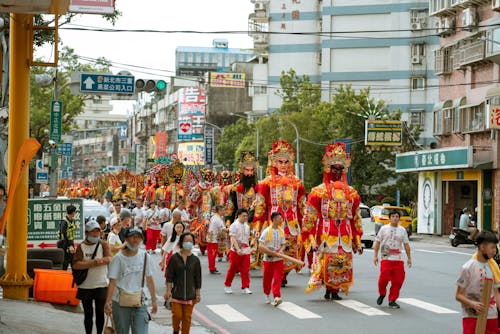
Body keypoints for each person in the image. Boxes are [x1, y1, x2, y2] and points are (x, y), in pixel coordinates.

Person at [302, 142, 363, 300]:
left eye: (340, 169)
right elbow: (309, 218)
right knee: (327, 262)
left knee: (342, 262)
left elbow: (355, 218)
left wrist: (357, 240)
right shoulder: (318, 192)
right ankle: (328, 289)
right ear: (328, 168)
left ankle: (336, 289)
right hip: (326, 234)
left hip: (344, 235)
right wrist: (310, 240)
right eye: (334, 168)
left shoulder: (351, 193)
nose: (337, 171)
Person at [253, 140, 306, 283]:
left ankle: (283, 275)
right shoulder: (266, 182)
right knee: (273, 248)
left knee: (289, 248)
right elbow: (260, 205)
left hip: (292, 223)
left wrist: (305, 225)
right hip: (274, 221)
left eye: (286, 161)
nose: (283, 165)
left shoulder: (297, 182)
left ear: (290, 162)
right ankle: (277, 274)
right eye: (280, 161)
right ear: (274, 162)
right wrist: (258, 226)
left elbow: (302, 205)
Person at [104, 227, 158, 334]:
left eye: (138, 237)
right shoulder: (117, 259)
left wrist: (154, 300)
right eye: (132, 237)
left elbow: (149, 279)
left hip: (140, 301)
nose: (135, 240)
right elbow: (112, 282)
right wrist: (108, 302)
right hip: (120, 302)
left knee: (140, 331)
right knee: (122, 331)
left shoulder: (146, 257)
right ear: (126, 239)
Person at [456, 231, 500, 334]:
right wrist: (472, 304)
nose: (495, 251)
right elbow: (458, 295)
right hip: (472, 316)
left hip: (491, 316)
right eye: (492, 247)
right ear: (482, 247)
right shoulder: (468, 267)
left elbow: (497, 293)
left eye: (495, 247)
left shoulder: (493, 267)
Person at [73, 220, 112, 334]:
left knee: (100, 312)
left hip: (101, 284)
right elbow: (76, 264)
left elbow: (109, 258)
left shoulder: (103, 244)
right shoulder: (81, 246)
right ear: (86, 233)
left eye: (97, 232)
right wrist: (93, 263)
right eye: (92, 232)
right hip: (85, 285)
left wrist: (101, 260)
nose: (95, 235)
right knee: (88, 313)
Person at [374, 209, 412, 309]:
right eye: (393, 216)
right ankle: (382, 293)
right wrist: (375, 256)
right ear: (390, 218)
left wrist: (409, 258)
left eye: (397, 216)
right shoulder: (383, 228)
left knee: (398, 280)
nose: (395, 218)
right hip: (386, 256)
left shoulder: (402, 230)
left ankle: (392, 300)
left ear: (399, 218)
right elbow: (377, 242)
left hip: (398, 258)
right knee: (384, 278)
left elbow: (406, 244)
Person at [165, 232, 202, 334]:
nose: (188, 243)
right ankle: (176, 330)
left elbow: (198, 278)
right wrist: (168, 290)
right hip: (176, 293)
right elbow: (169, 276)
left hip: (190, 294)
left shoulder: (195, 260)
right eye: (186, 241)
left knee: (187, 318)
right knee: (177, 315)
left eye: (190, 241)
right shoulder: (174, 258)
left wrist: (198, 293)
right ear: (181, 242)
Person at [258, 212, 286, 306]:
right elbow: (261, 246)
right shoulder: (266, 231)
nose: (281, 220)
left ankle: (276, 296)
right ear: (273, 219)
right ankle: (266, 294)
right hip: (268, 259)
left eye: (281, 218)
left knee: (278, 278)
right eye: (279, 218)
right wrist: (271, 253)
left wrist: (281, 251)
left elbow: (283, 244)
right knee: (267, 279)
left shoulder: (281, 231)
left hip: (278, 259)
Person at [224, 208, 252, 294]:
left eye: (246, 216)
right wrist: (237, 249)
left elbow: (247, 238)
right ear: (239, 215)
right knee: (232, 269)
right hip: (235, 250)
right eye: (243, 216)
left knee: (245, 269)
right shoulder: (234, 225)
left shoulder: (247, 226)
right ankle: (227, 285)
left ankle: (245, 287)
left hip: (246, 250)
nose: (245, 218)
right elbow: (233, 238)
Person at [207, 205, 227, 274]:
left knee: (211, 253)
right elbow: (224, 230)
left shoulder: (215, 217)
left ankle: (212, 267)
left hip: (211, 237)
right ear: (219, 211)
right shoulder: (217, 219)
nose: (224, 211)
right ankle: (212, 268)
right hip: (213, 238)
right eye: (223, 210)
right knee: (212, 254)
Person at [58, 204, 78, 270]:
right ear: (72, 212)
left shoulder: (72, 220)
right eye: (75, 211)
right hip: (64, 243)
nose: (75, 213)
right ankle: (63, 277)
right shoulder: (64, 222)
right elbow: (64, 234)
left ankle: (74, 277)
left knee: (72, 260)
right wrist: (69, 246)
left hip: (70, 242)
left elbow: (71, 230)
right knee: (65, 262)